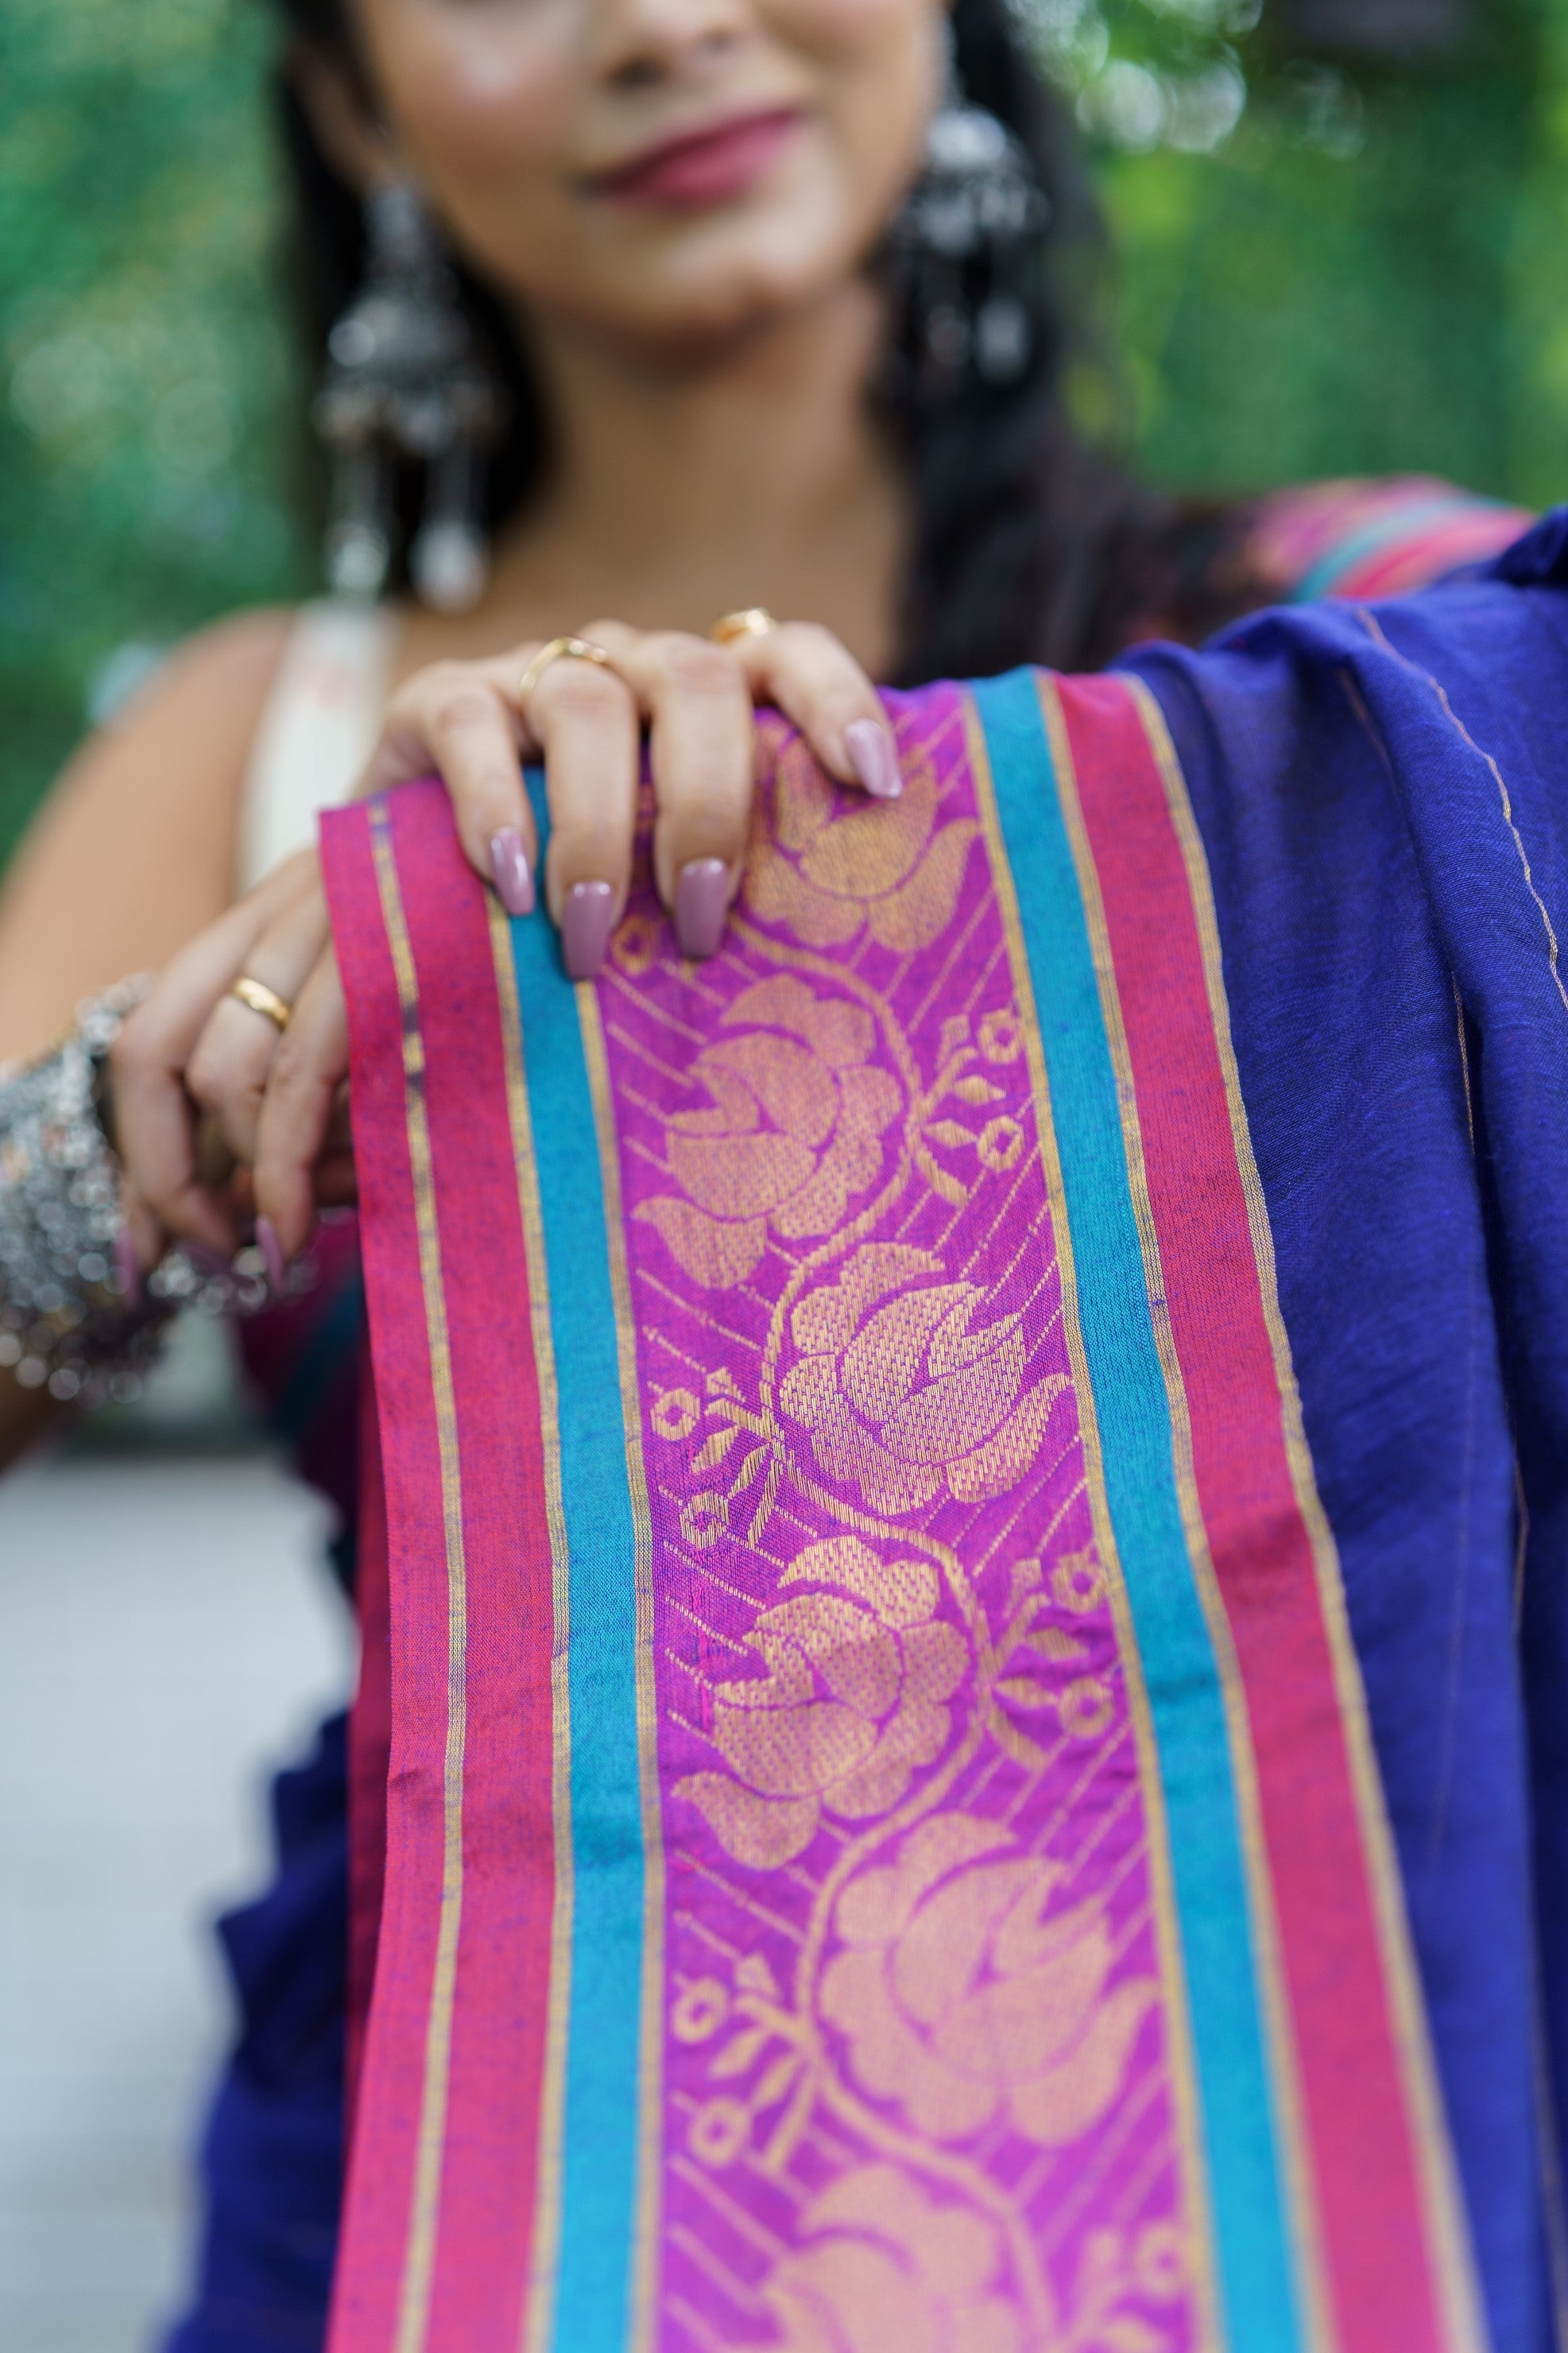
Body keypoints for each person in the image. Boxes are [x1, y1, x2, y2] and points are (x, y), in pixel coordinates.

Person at [0, 0, 1533, 2343]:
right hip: (466, 2132)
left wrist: (953, 814)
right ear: (349, 102)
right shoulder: (258, 746)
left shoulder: (1341, 657)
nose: (671, 23)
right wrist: (214, 1073)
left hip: (1258, 2076)